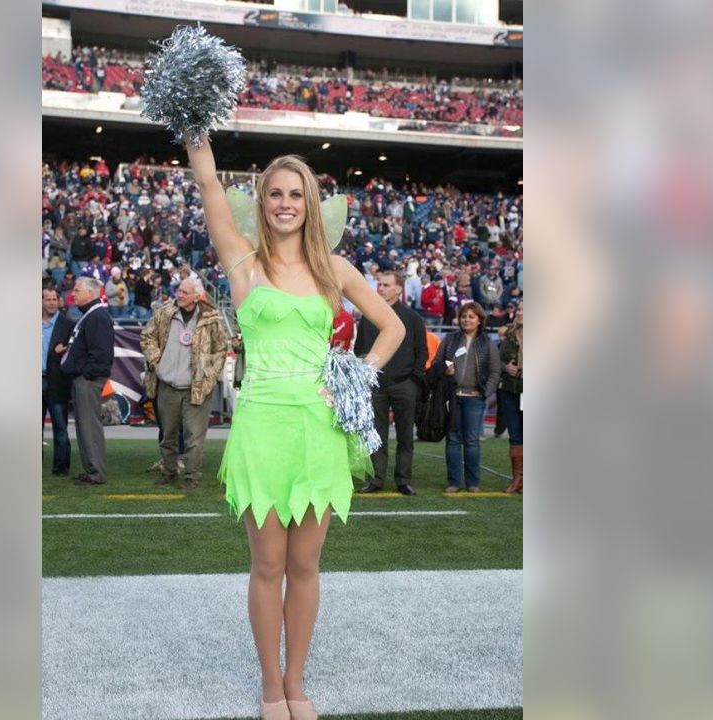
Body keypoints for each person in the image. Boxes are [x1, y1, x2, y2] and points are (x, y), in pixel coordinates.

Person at [186, 136, 404, 720]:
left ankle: (297, 682)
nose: (285, 203)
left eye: (297, 194)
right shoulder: (242, 261)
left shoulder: (335, 268)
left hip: (319, 428)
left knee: (306, 565)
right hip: (261, 426)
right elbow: (208, 186)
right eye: (276, 193)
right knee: (267, 565)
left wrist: (358, 377)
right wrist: (195, 134)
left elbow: (392, 328)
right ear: (262, 201)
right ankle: (269, 688)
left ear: (310, 204)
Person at [140, 277, 228, 490]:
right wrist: (156, 361)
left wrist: (209, 373)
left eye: (185, 292)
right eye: (179, 290)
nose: (180, 295)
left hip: (196, 388)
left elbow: (221, 349)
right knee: (167, 435)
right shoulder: (164, 313)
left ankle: (192, 476)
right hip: (167, 385)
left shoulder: (211, 318)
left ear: (197, 296)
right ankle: (169, 471)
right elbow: (146, 336)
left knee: (193, 437)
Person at [355, 270, 428, 496]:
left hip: (405, 384)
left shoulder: (413, 318)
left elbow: (421, 351)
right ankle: (376, 479)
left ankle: (403, 480)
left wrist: (413, 379)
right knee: (376, 435)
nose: (381, 288)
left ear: (399, 289)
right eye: (380, 284)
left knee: (406, 434)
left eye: (386, 285)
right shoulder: (368, 318)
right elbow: (360, 350)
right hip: (376, 385)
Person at [430, 301, 499, 493]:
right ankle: (453, 482)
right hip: (452, 397)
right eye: (464, 316)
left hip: (475, 398)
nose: (466, 320)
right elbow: (436, 363)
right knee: (452, 440)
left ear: (479, 320)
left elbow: (495, 372)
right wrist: (445, 369)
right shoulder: (450, 339)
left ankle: (473, 483)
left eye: (471, 316)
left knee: (471, 441)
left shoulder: (488, 343)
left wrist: (486, 392)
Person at [60, 276, 115, 485]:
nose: (73, 294)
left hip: (88, 380)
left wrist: (85, 374)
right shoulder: (92, 315)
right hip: (84, 378)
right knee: (84, 427)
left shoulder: (97, 316)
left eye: (77, 290)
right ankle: (91, 469)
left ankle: (96, 472)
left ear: (90, 293)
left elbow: (101, 354)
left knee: (89, 427)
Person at [42, 288, 74, 476]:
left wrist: (66, 351)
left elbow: (75, 349)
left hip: (57, 381)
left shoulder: (68, 324)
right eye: (48, 299)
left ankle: (61, 467)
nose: (52, 302)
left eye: (55, 299)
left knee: (60, 427)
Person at [499, 306, 523, 493]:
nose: (520, 313)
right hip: (511, 390)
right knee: (515, 436)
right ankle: (518, 479)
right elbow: (499, 358)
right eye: (519, 310)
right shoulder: (510, 335)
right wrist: (506, 367)